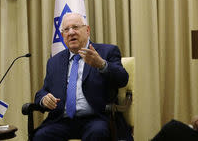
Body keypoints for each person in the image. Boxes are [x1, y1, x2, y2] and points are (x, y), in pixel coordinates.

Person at [33, 12, 130, 141]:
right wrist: (43, 99)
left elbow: (123, 79)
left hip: (96, 118)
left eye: (76, 27)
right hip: (62, 120)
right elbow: (43, 90)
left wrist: (102, 65)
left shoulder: (107, 52)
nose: (71, 32)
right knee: (41, 136)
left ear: (87, 30)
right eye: (66, 30)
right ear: (62, 36)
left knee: (97, 133)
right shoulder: (54, 61)